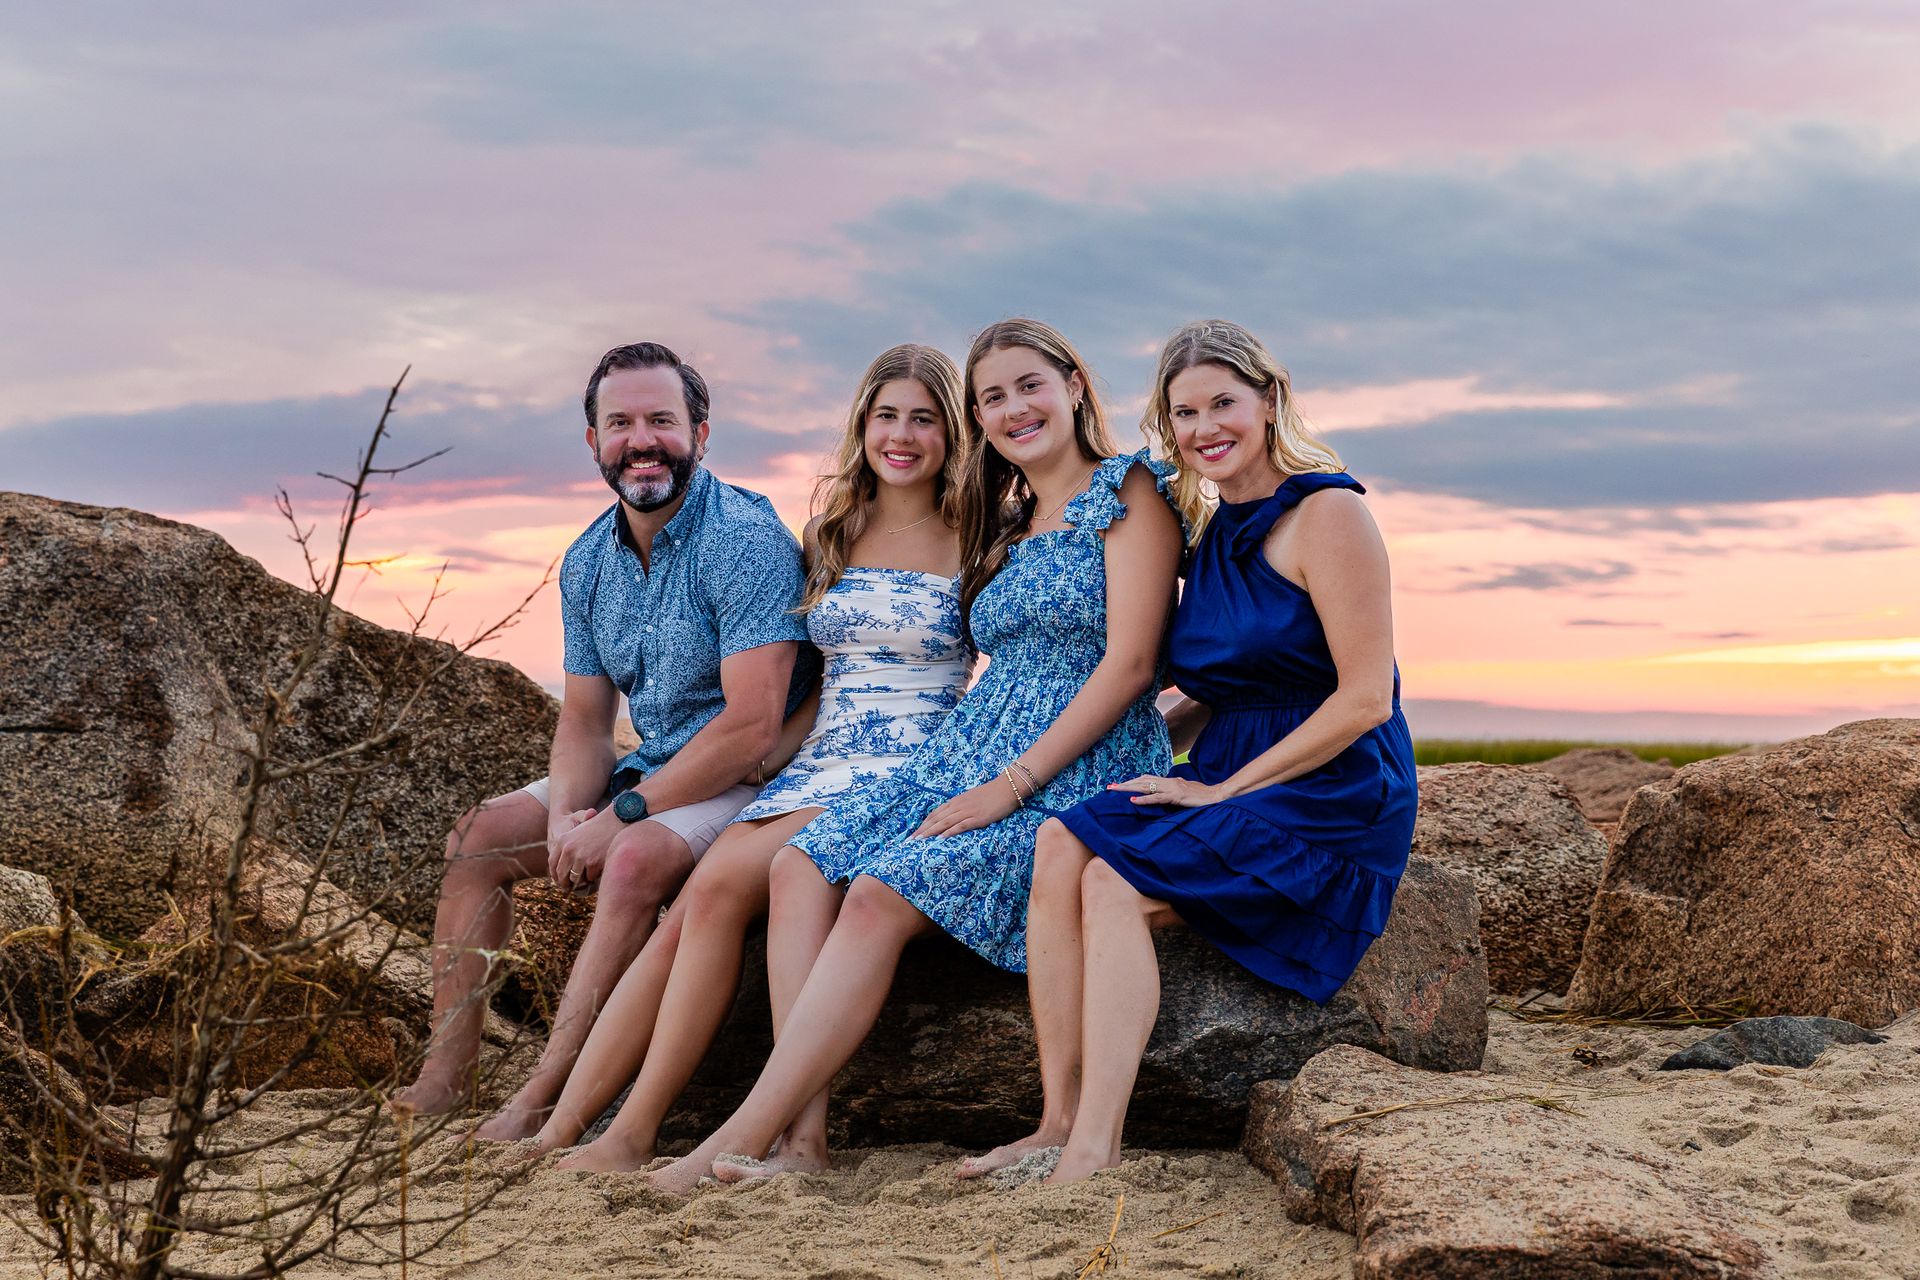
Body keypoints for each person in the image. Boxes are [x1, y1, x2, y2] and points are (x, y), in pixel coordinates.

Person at [644, 317, 1184, 1195]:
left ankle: (731, 1141)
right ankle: (790, 1140)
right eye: (991, 398)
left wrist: (1012, 788)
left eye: (1029, 386)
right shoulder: (1008, 519)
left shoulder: (1127, 492)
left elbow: (1130, 666)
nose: (1013, 410)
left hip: (1064, 763)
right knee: (808, 862)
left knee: (883, 890)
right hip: (969, 745)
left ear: (1076, 387)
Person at [962, 319, 1417, 1184]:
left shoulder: (1330, 512)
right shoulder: (1209, 535)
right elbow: (1220, 683)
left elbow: (1362, 698)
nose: (1206, 427)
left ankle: (1096, 1146)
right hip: (1231, 760)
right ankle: (1054, 1120)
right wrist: (1156, 752)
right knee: (1065, 834)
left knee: (1114, 880)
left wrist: (1221, 794)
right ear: (1166, 430)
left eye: (1223, 403)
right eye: (1184, 413)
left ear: (1269, 399)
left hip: (1335, 785)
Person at [500, 344, 972, 1167]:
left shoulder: (980, 535)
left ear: (951, 432)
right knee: (702, 901)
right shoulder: (837, 532)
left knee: (759, 878)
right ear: (862, 426)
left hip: (913, 759)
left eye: (923, 418)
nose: (901, 435)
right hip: (821, 755)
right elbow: (829, 679)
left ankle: (802, 1137)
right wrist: (772, 762)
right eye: (885, 416)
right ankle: (598, 1126)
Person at [390, 341, 814, 1125]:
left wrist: (619, 817)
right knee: (477, 839)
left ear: (702, 431)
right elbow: (586, 722)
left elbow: (752, 727)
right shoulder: (588, 560)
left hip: (754, 776)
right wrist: (561, 826)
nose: (641, 440)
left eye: (662, 419)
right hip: (656, 765)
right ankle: (445, 1078)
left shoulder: (747, 543)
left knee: (629, 861)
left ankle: (547, 1092)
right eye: (620, 423)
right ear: (593, 442)